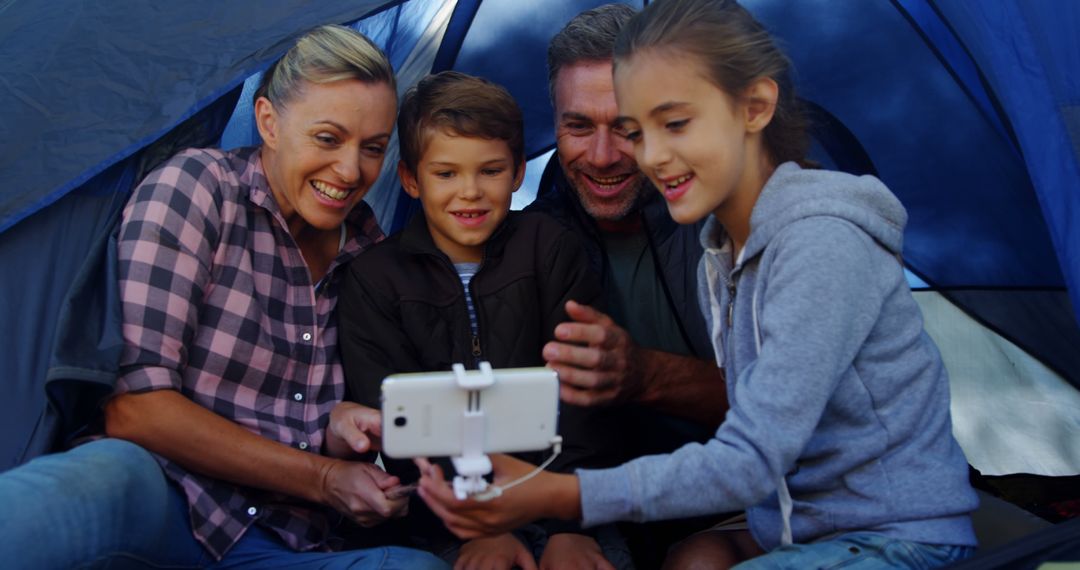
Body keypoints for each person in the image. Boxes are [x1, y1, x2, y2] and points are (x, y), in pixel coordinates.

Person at [415, 0, 980, 568]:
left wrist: (565, 492)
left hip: (883, 529)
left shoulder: (813, 240)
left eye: (667, 125)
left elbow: (754, 451)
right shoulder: (715, 241)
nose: (640, 155)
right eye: (581, 125)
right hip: (778, 517)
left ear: (754, 109)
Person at [0, 24, 447, 568]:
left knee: (413, 566)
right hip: (166, 502)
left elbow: (312, 415)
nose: (350, 171)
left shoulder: (370, 251)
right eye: (328, 139)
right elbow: (136, 411)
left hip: (283, 541)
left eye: (373, 148)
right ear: (268, 121)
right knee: (103, 477)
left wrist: (336, 431)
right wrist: (324, 477)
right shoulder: (199, 188)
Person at [337, 71, 630, 570]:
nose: (469, 192)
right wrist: (482, 525)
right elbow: (402, 421)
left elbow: (585, 398)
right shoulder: (375, 278)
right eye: (446, 174)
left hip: (568, 497)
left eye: (490, 171)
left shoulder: (550, 249)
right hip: (448, 515)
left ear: (519, 172)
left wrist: (566, 524)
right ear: (410, 179)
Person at [526, 5, 731, 565]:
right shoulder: (531, 237)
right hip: (610, 513)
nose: (601, 156)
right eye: (578, 126)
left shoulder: (729, 219)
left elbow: (799, 407)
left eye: (625, 127)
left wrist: (642, 375)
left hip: (755, 498)